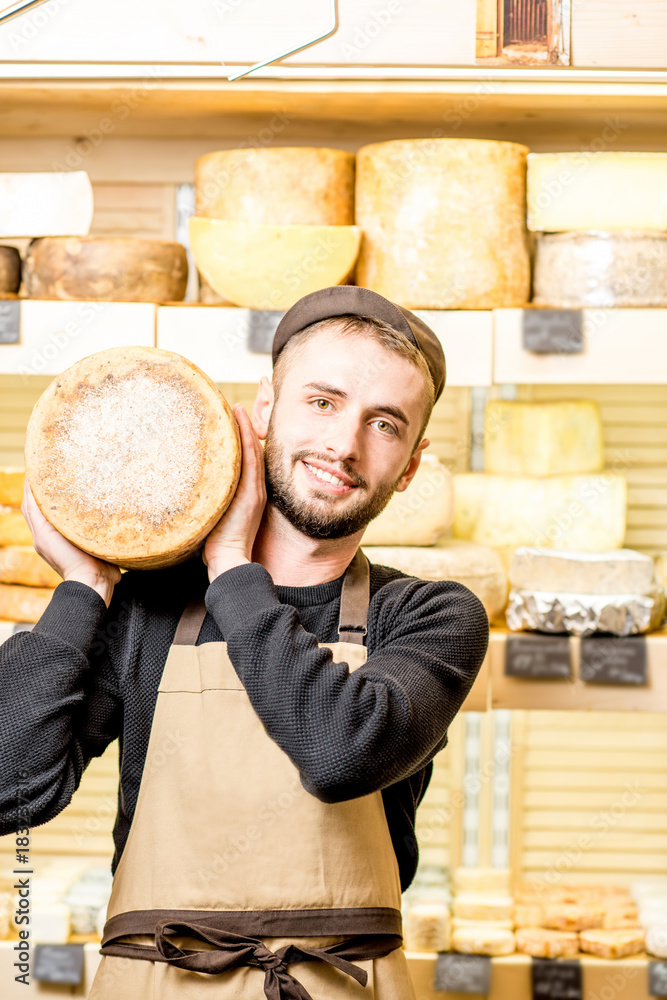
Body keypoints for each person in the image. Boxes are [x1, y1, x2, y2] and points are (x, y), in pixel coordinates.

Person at [0, 285, 489, 999]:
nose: (342, 444)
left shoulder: (425, 615)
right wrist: (84, 586)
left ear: (410, 465)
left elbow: (338, 752)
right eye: (321, 402)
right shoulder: (151, 606)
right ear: (264, 408)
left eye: (384, 424)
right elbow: (9, 788)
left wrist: (230, 565)